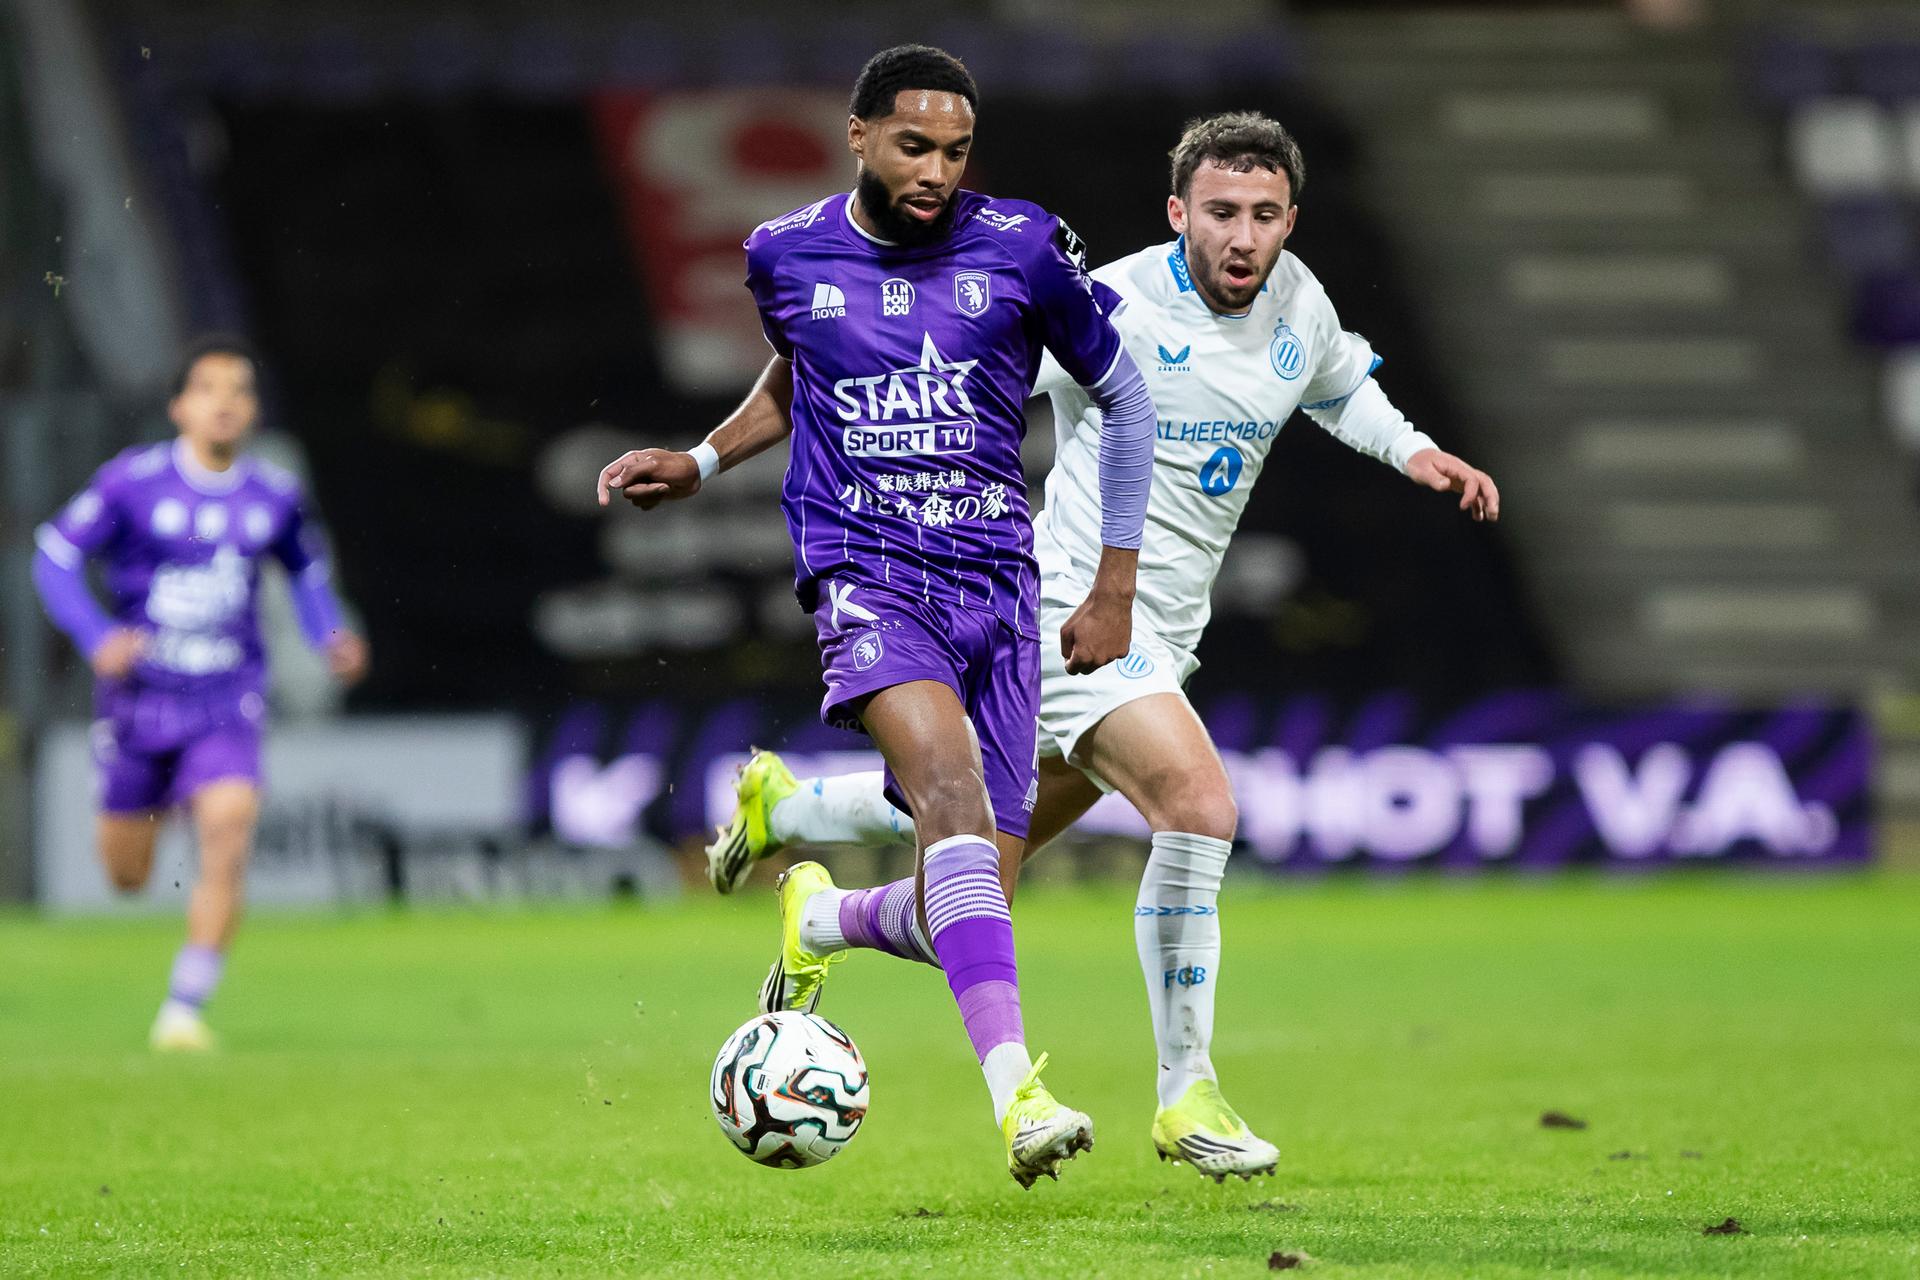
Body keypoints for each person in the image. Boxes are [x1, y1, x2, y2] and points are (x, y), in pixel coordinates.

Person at [702, 112, 1501, 1181]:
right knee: (1200, 806)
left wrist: (1416, 451)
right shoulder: (1110, 300)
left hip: (1166, 633)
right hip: (1071, 616)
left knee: (972, 886)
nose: (1243, 236)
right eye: (1221, 212)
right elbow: (928, 369)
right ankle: (1188, 1096)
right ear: (1179, 213)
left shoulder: (1299, 302)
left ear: (1290, 222)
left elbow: (1338, 378)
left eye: (1265, 216)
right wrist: (730, 457)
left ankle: (812, 879)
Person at [595, 45, 1156, 1187]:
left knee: (973, 895)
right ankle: (1019, 1099)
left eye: (955, 151)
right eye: (914, 146)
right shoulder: (784, 251)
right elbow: (800, 374)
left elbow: (1125, 392)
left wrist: (1114, 582)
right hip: (869, 573)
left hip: (998, 586)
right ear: (858, 136)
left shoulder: (1024, 249)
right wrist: (703, 459)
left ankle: (823, 910)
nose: (937, 170)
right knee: (946, 794)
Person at [32, 335, 368, 1051]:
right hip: (138, 701)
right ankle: (141, 811)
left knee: (228, 824)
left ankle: (183, 1008)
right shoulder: (132, 483)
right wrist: (96, 636)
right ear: (179, 405)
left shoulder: (272, 496)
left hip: (227, 696)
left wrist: (330, 633)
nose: (225, 402)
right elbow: (54, 556)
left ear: (250, 411)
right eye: (209, 388)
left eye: (239, 390)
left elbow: (306, 572)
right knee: (127, 874)